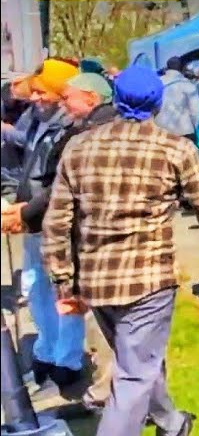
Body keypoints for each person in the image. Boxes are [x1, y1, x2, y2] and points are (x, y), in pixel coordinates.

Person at [43, 64, 199, 436]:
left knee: (136, 361)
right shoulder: (175, 148)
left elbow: (57, 220)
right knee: (134, 373)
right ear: (157, 103)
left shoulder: (80, 146)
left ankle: (172, 423)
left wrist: (63, 280)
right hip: (148, 281)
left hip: (97, 279)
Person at [2, 58, 86, 388]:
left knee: (63, 290)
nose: (35, 98)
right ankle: (46, 350)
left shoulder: (73, 130)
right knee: (35, 287)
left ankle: (68, 360)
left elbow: (59, 186)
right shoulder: (40, 121)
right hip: (34, 220)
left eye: (42, 93)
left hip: (56, 221)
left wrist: (26, 210)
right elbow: (29, 168)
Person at [155, 56, 199, 142]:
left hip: (160, 130)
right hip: (183, 131)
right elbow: (196, 111)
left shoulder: (156, 83)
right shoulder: (187, 84)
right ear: (182, 68)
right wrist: (194, 127)